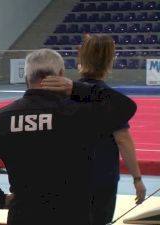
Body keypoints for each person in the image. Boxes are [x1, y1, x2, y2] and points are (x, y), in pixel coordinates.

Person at [0, 48, 137, 225]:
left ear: (26, 77)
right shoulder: (78, 113)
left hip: (24, 213)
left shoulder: (4, 117)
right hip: (72, 214)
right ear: (61, 74)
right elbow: (126, 107)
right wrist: (78, 88)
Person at [76, 34, 146, 225]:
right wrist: (137, 179)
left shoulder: (65, 96)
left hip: (68, 175)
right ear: (109, 61)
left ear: (80, 58)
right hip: (100, 175)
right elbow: (123, 139)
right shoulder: (110, 101)